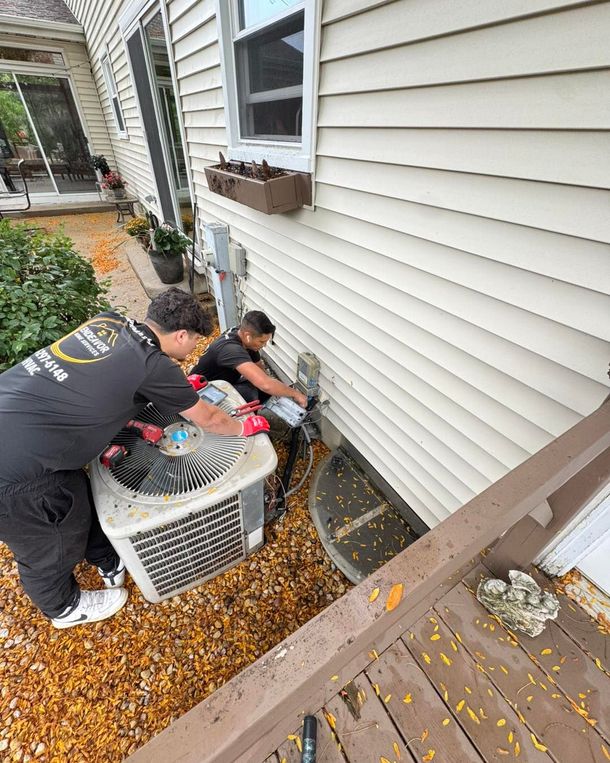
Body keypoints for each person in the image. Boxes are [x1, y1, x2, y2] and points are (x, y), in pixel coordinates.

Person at [0, 288, 269, 629]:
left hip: (16, 416)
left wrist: (177, 388)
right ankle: (63, 608)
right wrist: (244, 426)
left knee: (75, 502)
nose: (194, 350)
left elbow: (103, 382)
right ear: (181, 335)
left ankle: (105, 558)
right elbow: (212, 420)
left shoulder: (108, 322)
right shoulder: (153, 365)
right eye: (194, 342)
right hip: (14, 469)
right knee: (48, 542)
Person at [190, 310, 307, 408]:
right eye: (262, 341)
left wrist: (276, 389)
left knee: (262, 389)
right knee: (249, 394)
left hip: (222, 385)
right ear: (248, 336)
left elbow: (261, 372)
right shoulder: (230, 349)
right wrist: (295, 394)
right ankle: (244, 427)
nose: (264, 345)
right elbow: (265, 384)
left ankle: (249, 415)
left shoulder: (244, 337)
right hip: (201, 396)